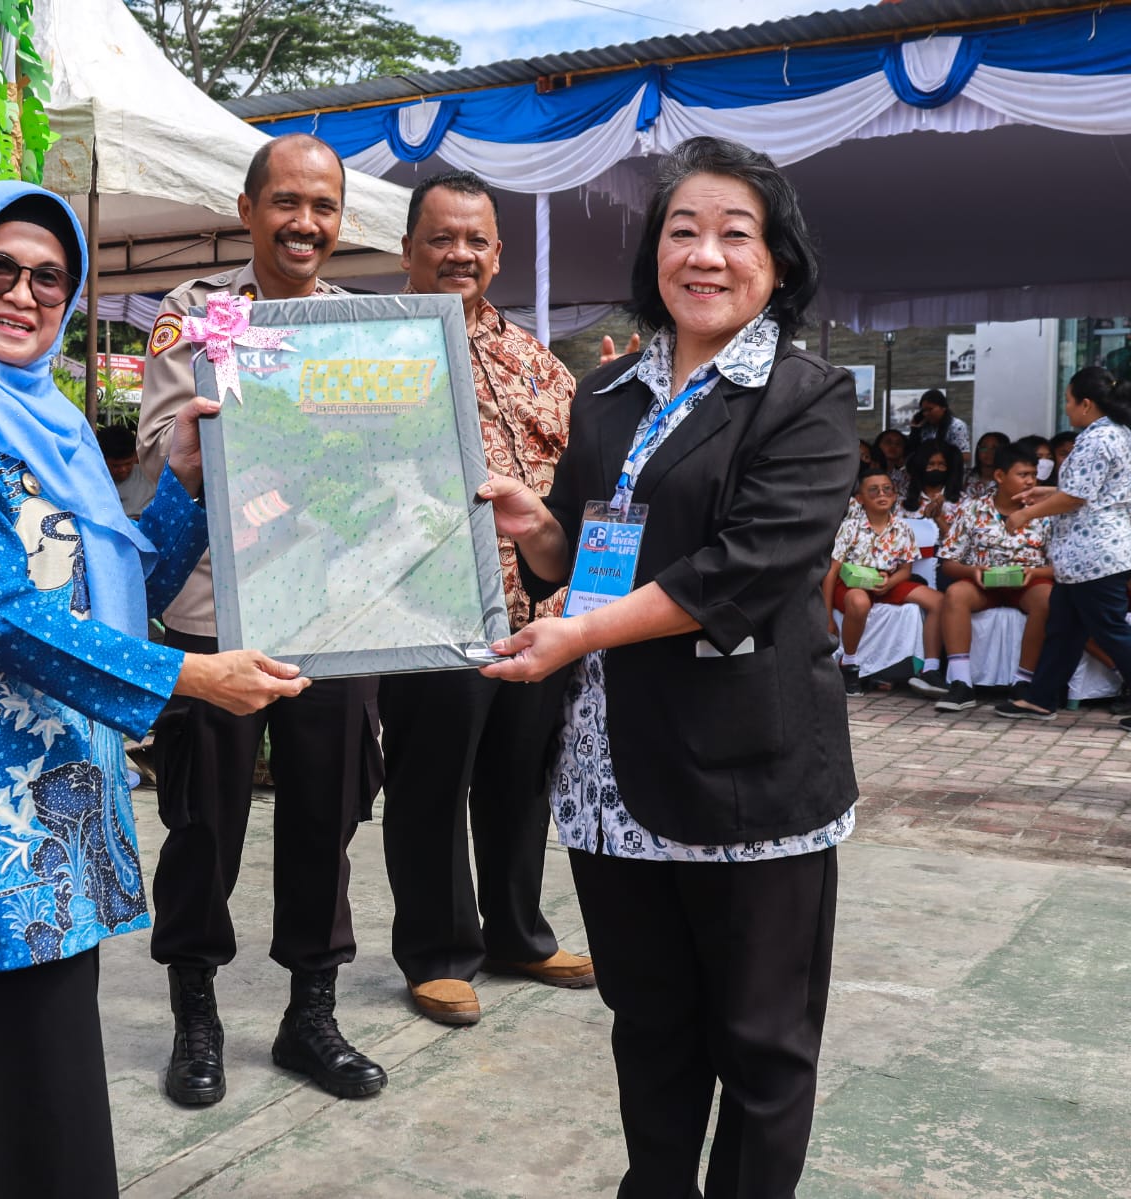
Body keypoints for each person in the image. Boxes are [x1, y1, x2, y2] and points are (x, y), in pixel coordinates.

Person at [0, 181, 309, 1197]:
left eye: (48, 277)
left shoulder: (50, 428)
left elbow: (107, 602)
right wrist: (194, 674)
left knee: (53, 1074)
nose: (23, 293)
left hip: (55, 805)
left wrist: (186, 484)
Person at [477, 136, 857, 1196]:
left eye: (736, 234)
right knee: (649, 1023)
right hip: (611, 776)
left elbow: (746, 568)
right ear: (654, 256)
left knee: (761, 1042)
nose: (706, 253)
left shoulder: (804, 397)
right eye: (682, 230)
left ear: (777, 262)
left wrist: (579, 634)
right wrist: (531, 529)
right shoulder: (606, 401)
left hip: (749, 778)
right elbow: (587, 560)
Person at [136, 133, 388, 1105]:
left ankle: (307, 1015)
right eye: (286, 202)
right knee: (202, 816)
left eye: (322, 207)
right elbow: (164, 448)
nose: (305, 224)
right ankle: (194, 1010)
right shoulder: (192, 317)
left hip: (332, 606)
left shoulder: (366, 330)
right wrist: (208, 448)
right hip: (217, 608)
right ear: (246, 210)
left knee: (327, 809)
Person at [377, 170, 592, 1028]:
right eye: (441, 238)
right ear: (408, 250)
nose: (459, 253)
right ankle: (437, 952)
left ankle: (516, 932)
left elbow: (575, 479)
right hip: (426, 610)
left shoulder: (539, 362)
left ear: (497, 255)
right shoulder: (369, 350)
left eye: (475, 241)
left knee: (519, 782)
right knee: (431, 783)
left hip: (535, 614)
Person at [995, 367, 1131, 730]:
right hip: (1086, 556)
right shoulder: (1114, 434)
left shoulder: (1097, 440)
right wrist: (1043, 492)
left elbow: (1076, 497)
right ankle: (1041, 698)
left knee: (1112, 631)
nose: (1067, 408)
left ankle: (1041, 696)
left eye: (1069, 401)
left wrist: (1026, 516)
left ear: (1086, 404)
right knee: (1065, 628)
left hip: (1095, 556)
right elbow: (1088, 490)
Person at [933, 443, 1054, 712]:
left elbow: (1059, 566)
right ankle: (962, 684)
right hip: (983, 584)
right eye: (1023, 474)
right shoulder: (972, 509)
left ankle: (1023, 682)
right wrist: (972, 572)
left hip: (1028, 582)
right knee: (955, 594)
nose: (1030, 481)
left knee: (1047, 598)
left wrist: (1034, 572)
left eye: (1033, 474)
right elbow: (948, 562)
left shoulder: (1046, 511)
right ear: (1000, 476)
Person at [821, 468, 945, 697]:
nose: (882, 494)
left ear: (895, 494)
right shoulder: (850, 527)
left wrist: (890, 583)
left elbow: (906, 570)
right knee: (859, 603)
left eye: (887, 489)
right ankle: (849, 664)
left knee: (938, 601)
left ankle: (930, 668)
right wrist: (827, 616)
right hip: (852, 583)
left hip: (886, 580)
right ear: (860, 499)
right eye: (873, 490)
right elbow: (831, 572)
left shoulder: (902, 528)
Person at [901, 439, 964, 545]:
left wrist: (939, 518)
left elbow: (960, 545)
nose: (936, 469)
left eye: (941, 465)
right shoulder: (901, 502)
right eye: (930, 464)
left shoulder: (964, 503)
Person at [96, 423, 156, 518]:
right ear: (101, 460)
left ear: (136, 457)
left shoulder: (151, 476)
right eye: (115, 466)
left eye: (128, 464)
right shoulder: (95, 482)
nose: (123, 469)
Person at [906, 388, 972, 464]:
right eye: (924, 410)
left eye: (930, 409)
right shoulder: (924, 427)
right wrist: (915, 430)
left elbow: (965, 455)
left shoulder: (956, 426)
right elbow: (912, 453)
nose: (926, 414)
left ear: (943, 407)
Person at [965, 430, 1010, 500]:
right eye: (984, 447)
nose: (988, 452)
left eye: (994, 448)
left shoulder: (1009, 480)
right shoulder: (965, 476)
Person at [875, 428, 910, 498]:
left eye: (898, 444)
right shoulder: (870, 471)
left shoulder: (906, 477)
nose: (893, 446)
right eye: (888, 442)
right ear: (878, 445)